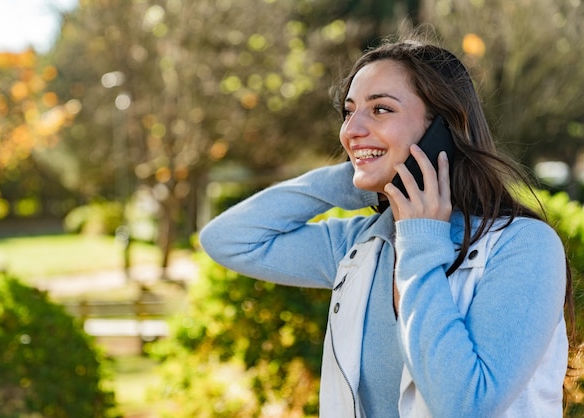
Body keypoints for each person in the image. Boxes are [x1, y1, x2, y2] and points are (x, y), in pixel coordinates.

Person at [199, 33, 573, 417]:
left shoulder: (523, 246)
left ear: (441, 131)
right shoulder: (364, 245)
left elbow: (467, 405)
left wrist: (421, 243)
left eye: (380, 110)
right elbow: (228, 239)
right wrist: (356, 179)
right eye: (349, 112)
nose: (351, 130)